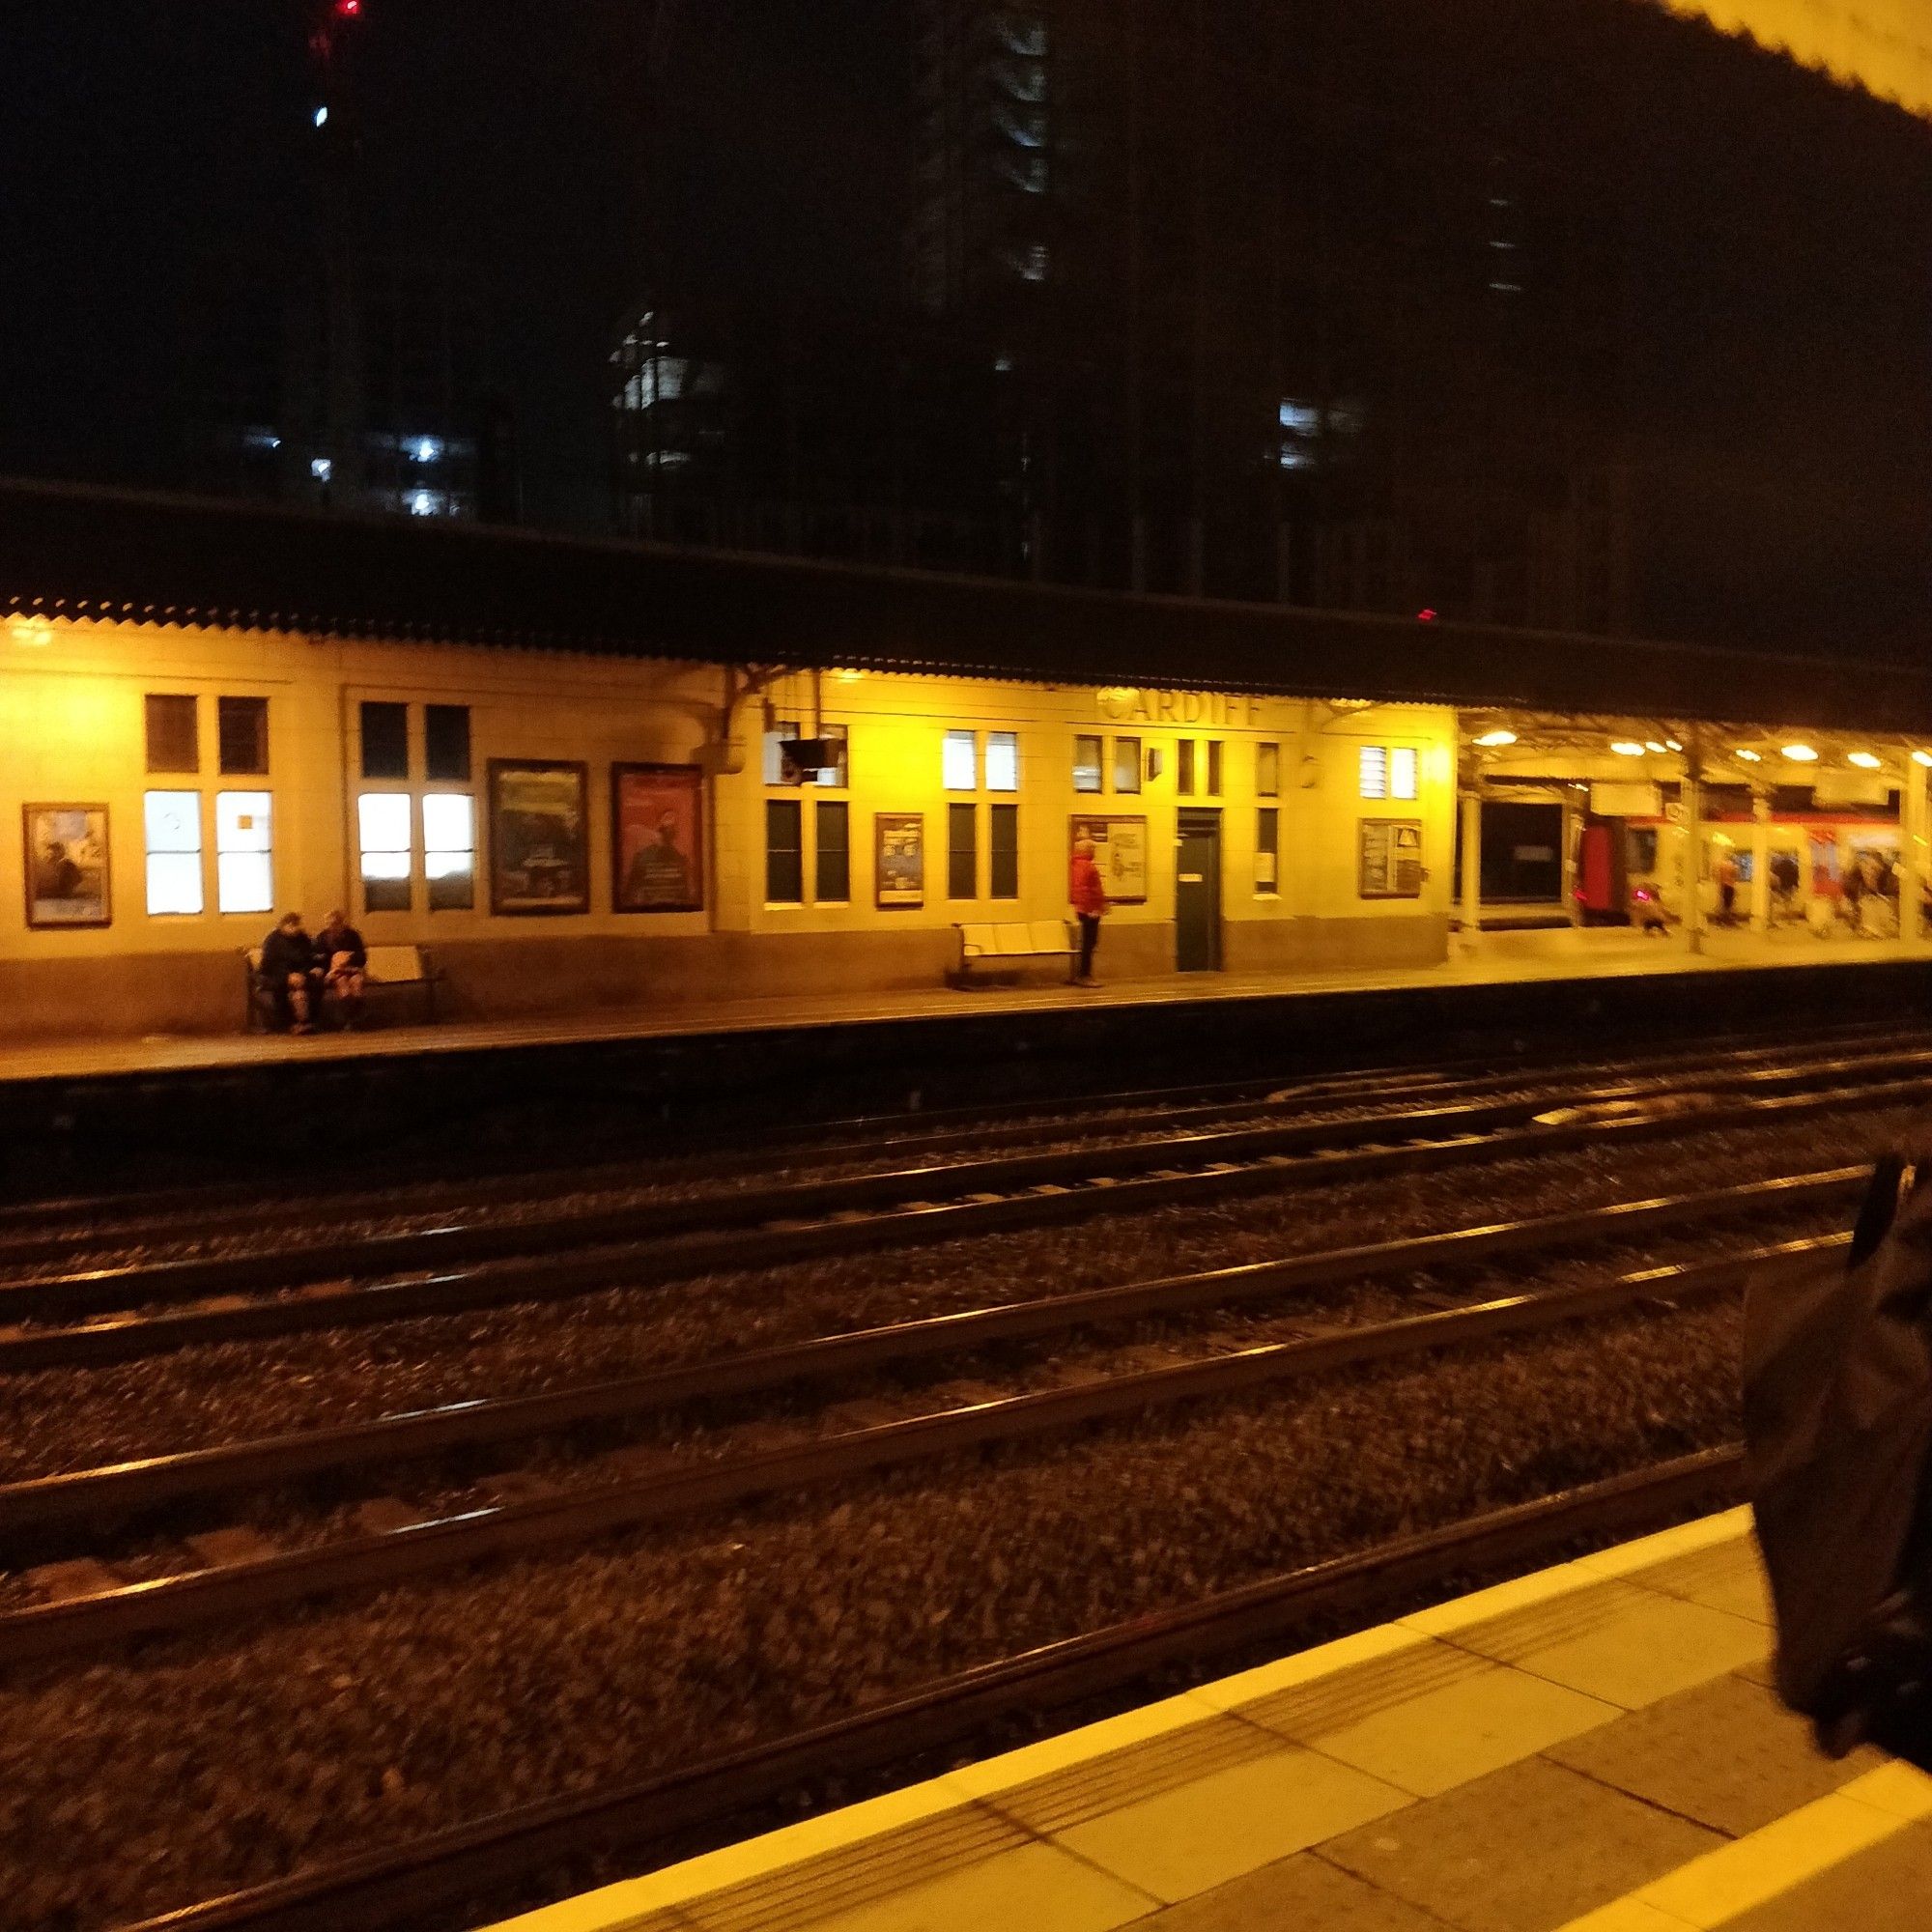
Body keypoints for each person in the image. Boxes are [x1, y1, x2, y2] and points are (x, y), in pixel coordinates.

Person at [258, 912, 321, 1034]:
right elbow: (268, 965)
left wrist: (303, 973)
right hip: (277, 975)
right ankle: (288, 1023)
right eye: (290, 924)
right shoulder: (272, 940)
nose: (293, 927)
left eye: (296, 924)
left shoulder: (303, 939)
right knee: (280, 989)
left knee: (315, 985)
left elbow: (309, 959)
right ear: (283, 925)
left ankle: (308, 1021)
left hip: (301, 973)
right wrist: (288, 975)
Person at [623, 809, 694, 907]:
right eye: (667, 820)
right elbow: (631, 891)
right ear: (659, 826)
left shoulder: (680, 859)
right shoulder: (642, 857)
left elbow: (685, 894)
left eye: (673, 825)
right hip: (647, 911)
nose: (670, 826)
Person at [314, 908, 368, 1029]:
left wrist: (349, 957)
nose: (331, 927)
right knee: (342, 983)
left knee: (357, 982)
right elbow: (319, 958)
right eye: (329, 924)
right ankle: (348, 1020)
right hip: (334, 972)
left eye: (335, 924)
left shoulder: (353, 935)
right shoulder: (322, 938)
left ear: (341, 923)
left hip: (352, 969)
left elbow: (362, 957)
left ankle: (357, 1018)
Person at [1069, 836, 1108, 985]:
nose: (1094, 851)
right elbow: (1088, 890)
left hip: (1084, 908)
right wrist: (1093, 908)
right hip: (1090, 909)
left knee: (1087, 942)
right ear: (1087, 849)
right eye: (1093, 848)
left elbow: (1080, 889)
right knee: (1090, 942)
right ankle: (1085, 975)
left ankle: (1083, 974)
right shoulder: (1087, 866)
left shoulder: (1076, 864)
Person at [1716, 849, 1740, 923]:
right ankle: (1727, 919)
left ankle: (1722, 918)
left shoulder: (1722, 865)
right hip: (1730, 885)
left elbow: (1718, 875)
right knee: (1729, 904)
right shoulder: (1733, 866)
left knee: (1723, 902)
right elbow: (1736, 876)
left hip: (1723, 885)